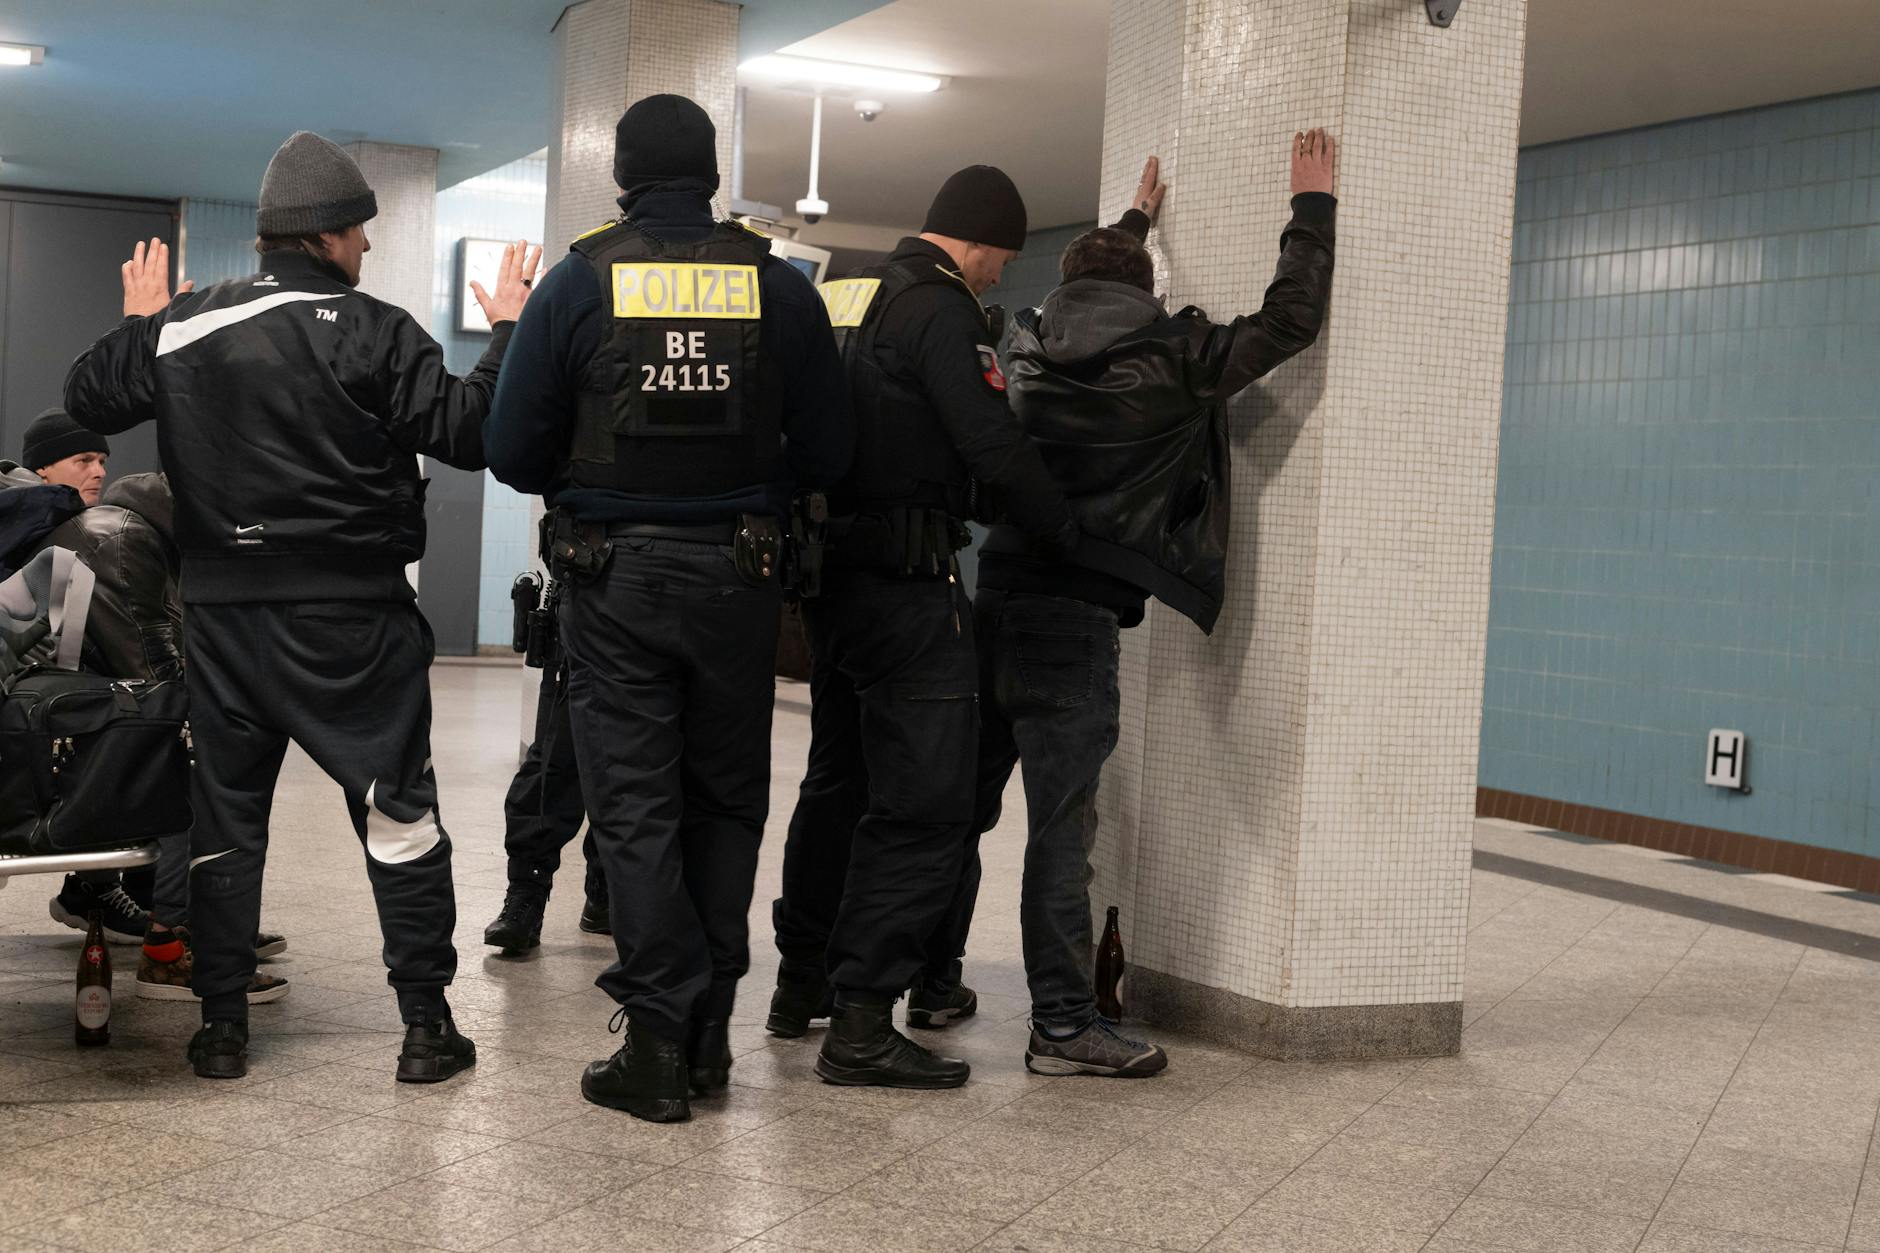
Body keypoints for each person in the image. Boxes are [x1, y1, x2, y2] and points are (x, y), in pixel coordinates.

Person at [63, 130, 539, 1082]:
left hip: (226, 623)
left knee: (226, 822)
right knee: (398, 815)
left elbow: (85, 397)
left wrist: (141, 320)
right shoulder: (376, 328)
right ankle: (425, 1028)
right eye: (361, 232)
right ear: (328, 234)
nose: (366, 249)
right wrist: (508, 332)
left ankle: (223, 1028)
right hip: (353, 623)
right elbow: (471, 431)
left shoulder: (188, 325)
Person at [485, 93, 852, 1123]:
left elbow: (511, 452)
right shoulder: (778, 288)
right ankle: (706, 1040)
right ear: (710, 174)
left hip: (614, 581)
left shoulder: (576, 283)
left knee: (636, 805)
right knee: (724, 801)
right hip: (741, 577)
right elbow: (829, 455)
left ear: (623, 177)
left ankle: (652, 1043)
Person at [942, 132, 1338, 1077]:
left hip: (991, 600)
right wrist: (1311, 208)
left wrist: (1129, 225)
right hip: (1076, 622)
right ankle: (1066, 1024)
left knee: (956, 809)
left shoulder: (1025, 338)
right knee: (1061, 831)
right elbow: (1289, 321)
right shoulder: (1175, 352)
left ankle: (927, 977)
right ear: (1146, 289)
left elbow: (1094, 290)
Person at [766, 165, 1080, 1090]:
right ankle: (863, 1020)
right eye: (1001, 263)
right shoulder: (943, 309)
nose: (996, 280)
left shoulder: (848, 289)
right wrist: (1063, 530)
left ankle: (801, 984)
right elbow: (990, 441)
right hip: (907, 584)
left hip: (833, 582)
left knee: (837, 781)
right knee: (928, 802)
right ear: (979, 242)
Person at [483, 663, 609, 952]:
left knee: (637, 775)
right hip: (585, 643)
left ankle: (609, 894)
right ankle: (527, 893)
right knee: (554, 763)